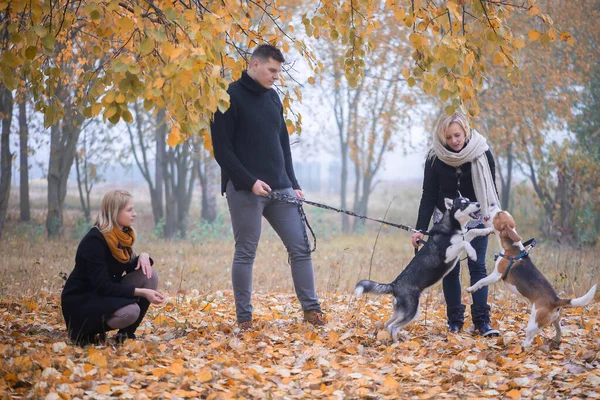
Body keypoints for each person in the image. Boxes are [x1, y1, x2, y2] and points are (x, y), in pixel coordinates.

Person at [210, 44, 325, 331]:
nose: (276, 76)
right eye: (272, 70)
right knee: (246, 251)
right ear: (254, 65)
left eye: (279, 71)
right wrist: (249, 182)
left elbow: (282, 145)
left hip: (281, 188)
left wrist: (294, 184)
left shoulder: (274, 98)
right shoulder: (227, 98)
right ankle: (245, 319)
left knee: (300, 247)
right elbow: (222, 151)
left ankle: (312, 312)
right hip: (244, 189)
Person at [411, 111, 500, 337]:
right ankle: (454, 321)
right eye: (449, 137)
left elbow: (491, 190)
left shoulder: (482, 152)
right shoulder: (434, 158)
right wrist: (420, 228)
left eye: (457, 135)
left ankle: (482, 322)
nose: (454, 141)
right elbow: (429, 194)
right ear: (443, 138)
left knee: (477, 266)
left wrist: (496, 217)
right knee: (450, 270)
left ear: (465, 132)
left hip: (477, 217)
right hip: (446, 221)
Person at [61, 190, 165, 345]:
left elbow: (130, 265)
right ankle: (84, 333)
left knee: (150, 275)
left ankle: (125, 336)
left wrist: (143, 255)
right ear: (114, 212)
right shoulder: (94, 241)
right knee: (131, 312)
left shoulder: (121, 235)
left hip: (105, 292)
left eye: (133, 209)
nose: (134, 214)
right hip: (84, 300)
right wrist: (143, 292)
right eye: (129, 210)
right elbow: (102, 286)